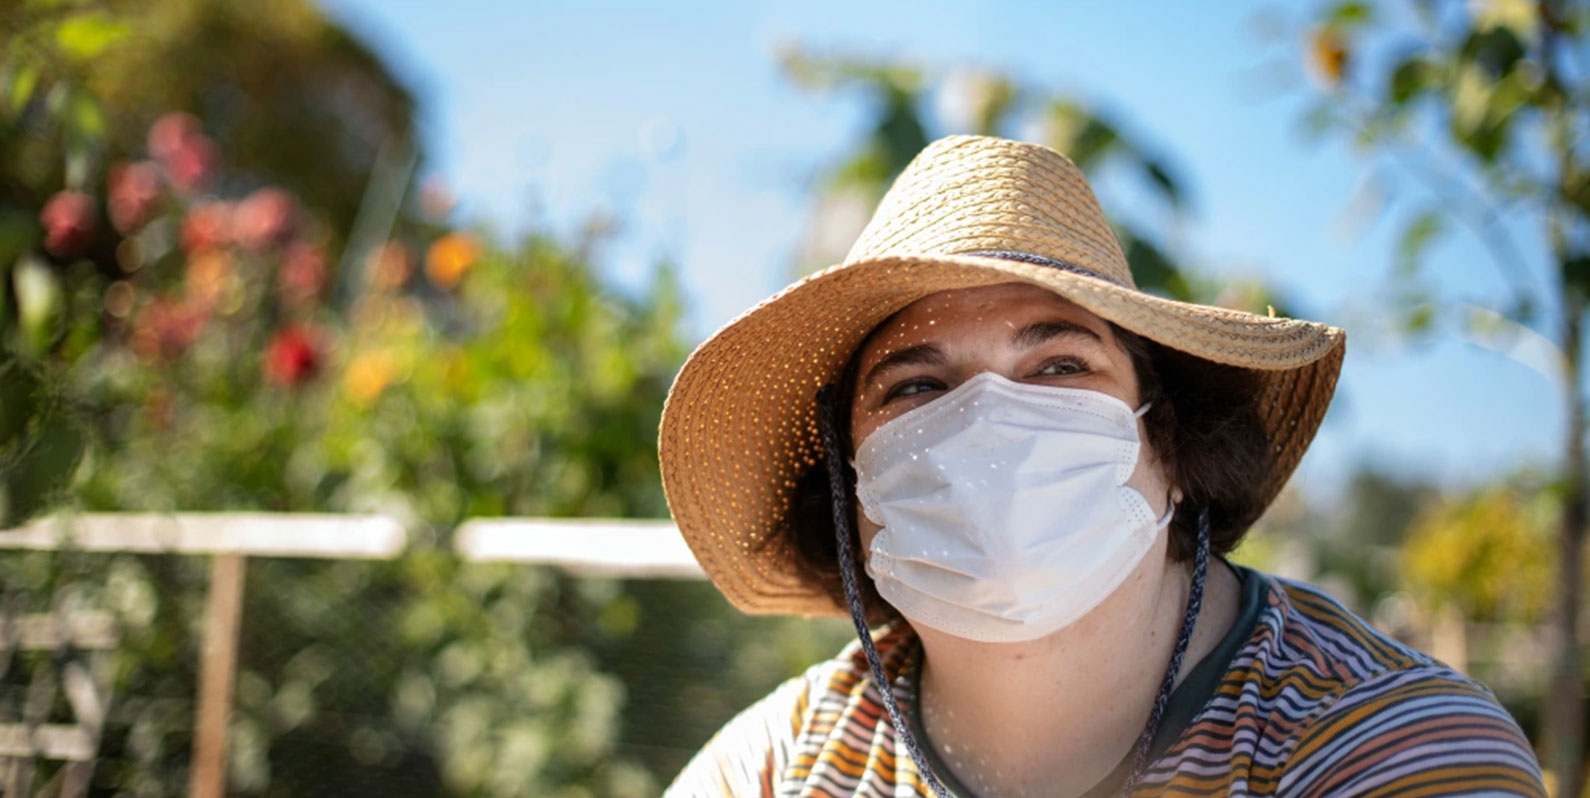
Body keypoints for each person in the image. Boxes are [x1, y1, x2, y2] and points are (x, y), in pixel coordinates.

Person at [657, 135, 1545, 797]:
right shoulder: (773, 770)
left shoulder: (1384, 751)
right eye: (916, 387)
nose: (988, 425)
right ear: (848, 488)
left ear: (1170, 444)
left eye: (1059, 367)